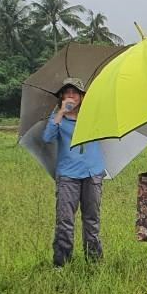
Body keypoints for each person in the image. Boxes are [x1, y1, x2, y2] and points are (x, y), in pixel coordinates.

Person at [41, 79, 105, 267]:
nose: (71, 96)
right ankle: (61, 263)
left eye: (75, 93)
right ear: (61, 96)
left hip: (92, 173)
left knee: (92, 220)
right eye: (67, 93)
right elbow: (47, 138)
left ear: (82, 97)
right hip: (68, 175)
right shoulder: (57, 119)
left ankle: (94, 261)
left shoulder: (91, 116)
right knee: (65, 221)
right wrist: (61, 112)